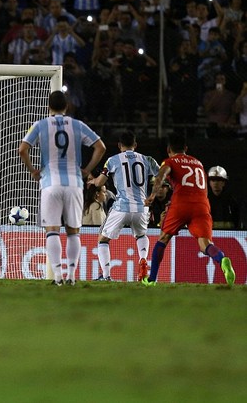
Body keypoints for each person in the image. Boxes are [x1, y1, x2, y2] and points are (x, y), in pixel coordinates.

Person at [18, 90, 106, 286]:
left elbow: (22, 149)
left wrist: (33, 170)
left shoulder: (40, 125)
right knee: (73, 231)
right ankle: (72, 276)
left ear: (48, 106)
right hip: (74, 183)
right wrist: (87, 170)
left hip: (50, 183)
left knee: (52, 230)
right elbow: (101, 147)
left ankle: (57, 276)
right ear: (67, 106)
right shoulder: (77, 125)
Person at [143, 133, 235, 286]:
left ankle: (151, 279)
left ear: (168, 149)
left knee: (163, 238)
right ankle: (222, 258)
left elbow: (161, 176)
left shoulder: (170, 161)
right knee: (205, 244)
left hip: (181, 203)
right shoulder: (198, 163)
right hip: (202, 205)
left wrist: (152, 194)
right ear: (185, 148)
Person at [88, 131, 160, 281]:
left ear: (119, 145)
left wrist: (93, 182)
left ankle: (106, 276)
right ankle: (143, 259)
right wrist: (153, 194)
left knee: (102, 239)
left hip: (122, 207)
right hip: (141, 207)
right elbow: (162, 177)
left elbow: (100, 182)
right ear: (135, 145)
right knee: (141, 235)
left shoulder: (113, 160)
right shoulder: (147, 159)